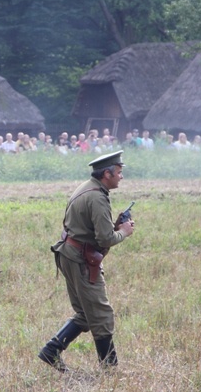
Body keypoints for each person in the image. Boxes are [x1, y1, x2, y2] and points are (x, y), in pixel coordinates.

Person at [39, 150, 135, 372]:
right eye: (119, 172)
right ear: (107, 174)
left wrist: (115, 225)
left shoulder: (87, 188)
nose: (121, 176)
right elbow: (106, 238)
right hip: (81, 259)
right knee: (101, 313)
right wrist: (124, 232)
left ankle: (51, 351)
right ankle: (110, 369)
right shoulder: (98, 197)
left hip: (71, 253)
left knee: (84, 312)